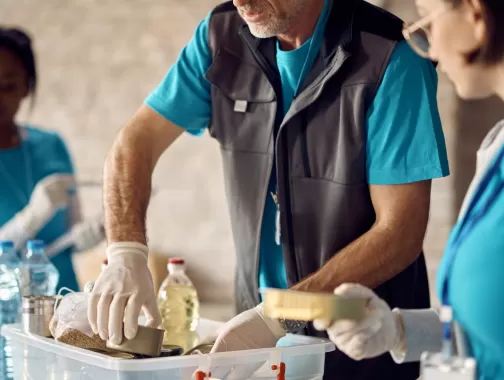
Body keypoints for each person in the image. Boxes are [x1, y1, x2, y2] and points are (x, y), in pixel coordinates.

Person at [89, 0, 449, 378]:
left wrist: (284, 313)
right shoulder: (220, 37)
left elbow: (400, 230)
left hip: (358, 348)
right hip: (253, 343)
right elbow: (136, 141)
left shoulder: (390, 55)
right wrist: (126, 250)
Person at [314, 0, 504, 379]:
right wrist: (400, 331)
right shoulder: (497, 148)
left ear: (475, 15)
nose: (430, 48)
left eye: (430, 22)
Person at [0, 27, 105, 291]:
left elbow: (72, 227)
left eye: (8, 86)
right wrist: (30, 218)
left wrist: (87, 236)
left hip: (61, 301)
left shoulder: (51, 145)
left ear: (26, 87)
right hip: (8, 308)